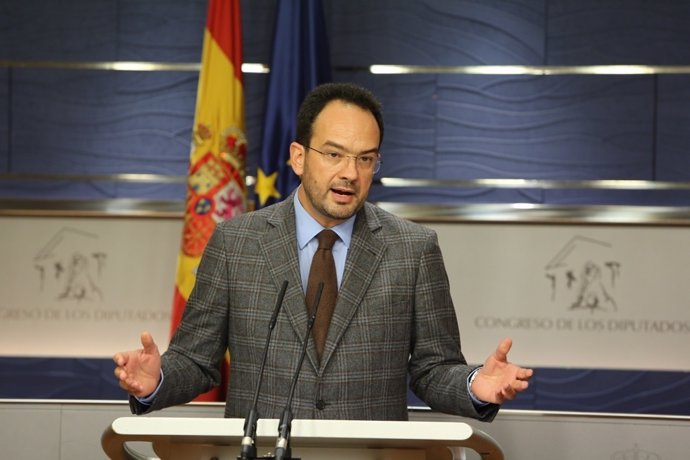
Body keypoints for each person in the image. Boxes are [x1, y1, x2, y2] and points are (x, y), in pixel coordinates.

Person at [114, 82, 533, 421]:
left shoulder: (413, 249)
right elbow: (196, 360)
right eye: (334, 154)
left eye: (365, 159)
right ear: (298, 157)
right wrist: (158, 380)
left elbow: (434, 368)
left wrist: (473, 385)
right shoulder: (235, 243)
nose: (349, 173)